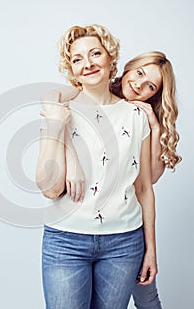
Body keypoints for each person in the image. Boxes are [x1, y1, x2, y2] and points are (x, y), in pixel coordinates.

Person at [36, 24, 157, 309]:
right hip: (65, 242)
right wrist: (66, 145)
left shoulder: (135, 115)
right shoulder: (58, 111)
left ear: (110, 59)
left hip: (124, 243)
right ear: (71, 69)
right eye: (77, 59)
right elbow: (49, 189)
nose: (87, 64)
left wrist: (151, 249)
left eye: (95, 54)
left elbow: (144, 187)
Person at [50, 51, 182, 308]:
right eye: (139, 73)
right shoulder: (90, 90)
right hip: (76, 231)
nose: (139, 85)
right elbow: (51, 101)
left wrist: (154, 127)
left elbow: (148, 181)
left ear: (154, 94)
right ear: (129, 67)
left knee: (146, 295)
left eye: (150, 86)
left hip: (125, 232)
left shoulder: (140, 116)